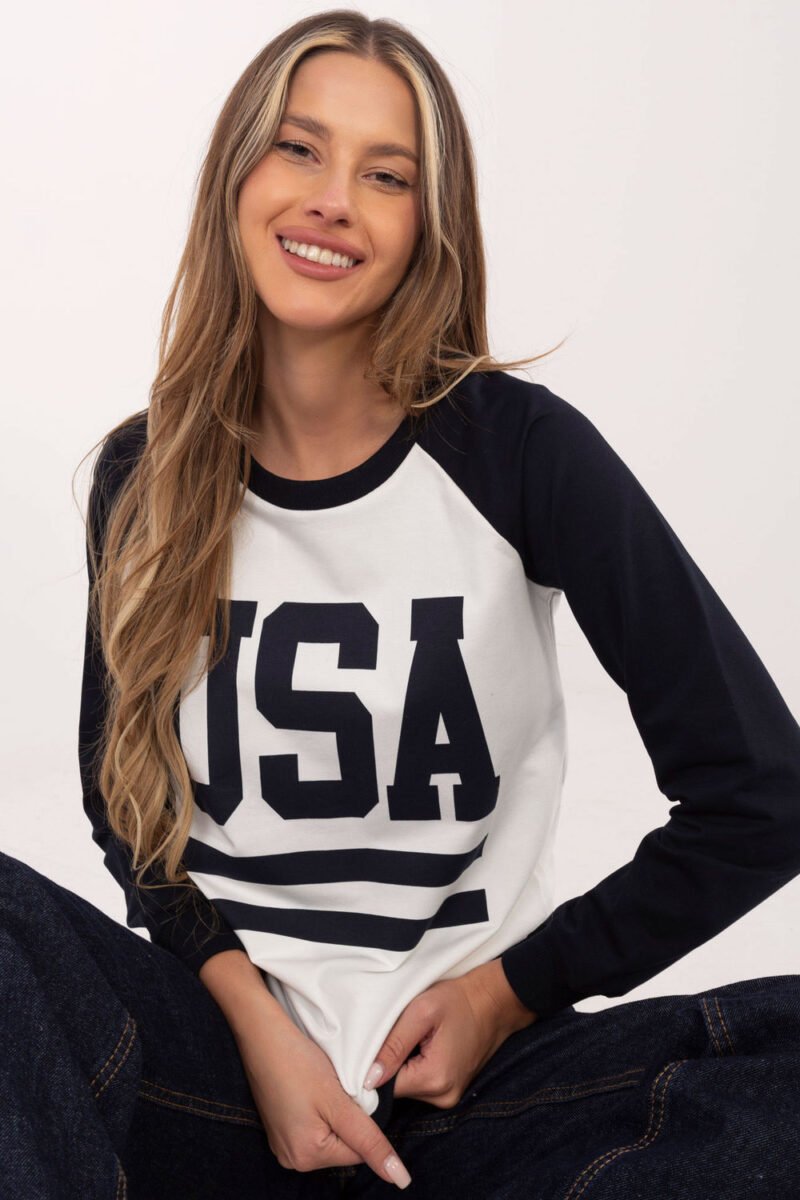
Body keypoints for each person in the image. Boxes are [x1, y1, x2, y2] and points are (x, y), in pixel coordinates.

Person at [2, 9, 799, 1199]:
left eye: (387, 175)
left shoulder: (517, 452)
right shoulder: (145, 473)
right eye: (298, 148)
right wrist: (259, 1030)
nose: (332, 200)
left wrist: (503, 995)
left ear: (428, 227)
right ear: (235, 178)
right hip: (216, 1069)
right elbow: (131, 814)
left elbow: (760, 794)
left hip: (471, 1090)